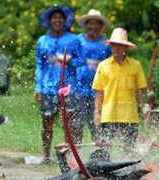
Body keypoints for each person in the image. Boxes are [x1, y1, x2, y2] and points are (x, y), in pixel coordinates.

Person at [35, 5, 83, 164]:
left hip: (68, 87)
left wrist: (71, 60)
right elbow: (39, 65)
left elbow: (81, 61)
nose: (57, 21)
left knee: (70, 123)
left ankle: (68, 155)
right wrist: (38, 87)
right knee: (47, 121)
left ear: (65, 20)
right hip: (48, 87)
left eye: (60, 18)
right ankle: (46, 155)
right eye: (54, 18)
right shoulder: (42, 40)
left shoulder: (74, 40)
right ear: (49, 20)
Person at [92, 28, 148, 148]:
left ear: (125, 47)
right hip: (108, 115)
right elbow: (99, 92)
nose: (116, 48)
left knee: (130, 149)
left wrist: (145, 110)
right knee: (105, 149)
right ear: (110, 46)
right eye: (113, 45)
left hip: (129, 115)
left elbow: (139, 92)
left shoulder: (136, 65)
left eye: (119, 45)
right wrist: (97, 113)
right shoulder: (103, 65)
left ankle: (131, 167)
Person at [74, 9, 111, 144]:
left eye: (97, 24)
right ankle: (76, 152)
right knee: (76, 124)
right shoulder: (77, 41)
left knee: (97, 124)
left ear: (101, 26)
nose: (93, 26)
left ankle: (98, 155)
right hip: (78, 89)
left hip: (99, 91)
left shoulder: (106, 44)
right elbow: (69, 61)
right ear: (86, 25)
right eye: (90, 23)